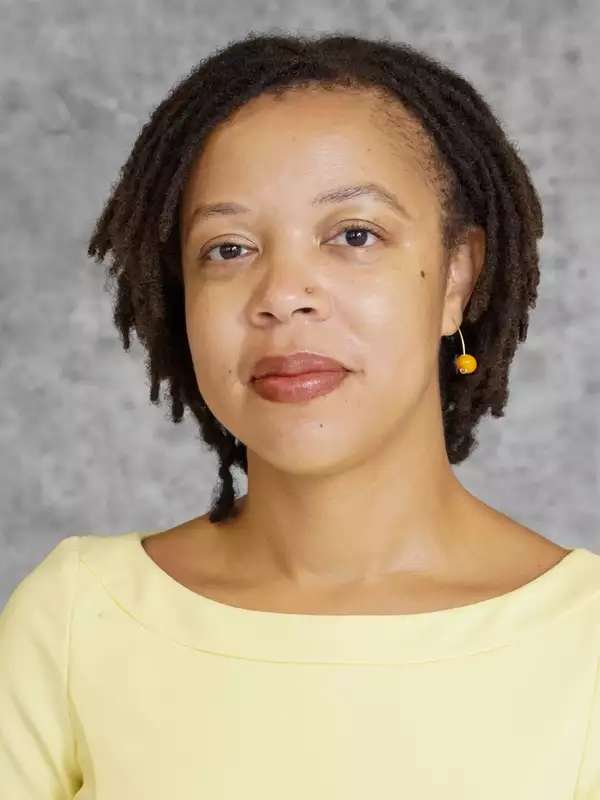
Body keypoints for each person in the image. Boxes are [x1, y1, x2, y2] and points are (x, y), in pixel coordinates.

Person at [1, 30, 599, 798]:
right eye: (228, 248)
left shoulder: (583, 645)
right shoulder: (76, 620)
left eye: (354, 235)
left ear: (456, 276)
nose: (283, 293)